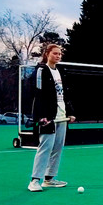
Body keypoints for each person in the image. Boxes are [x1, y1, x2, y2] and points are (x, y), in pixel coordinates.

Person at [27, 44, 76, 192]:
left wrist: (70, 112)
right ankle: (35, 180)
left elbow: (65, 95)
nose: (58, 56)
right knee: (45, 147)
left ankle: (49, 179)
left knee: (57, 148)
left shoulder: (61, 71)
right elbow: (38, 94)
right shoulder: (41, 71)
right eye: (55, 53)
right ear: (47, 54)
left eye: (60, 54)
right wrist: (41, 116)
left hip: (62, 116)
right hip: (48, 117)